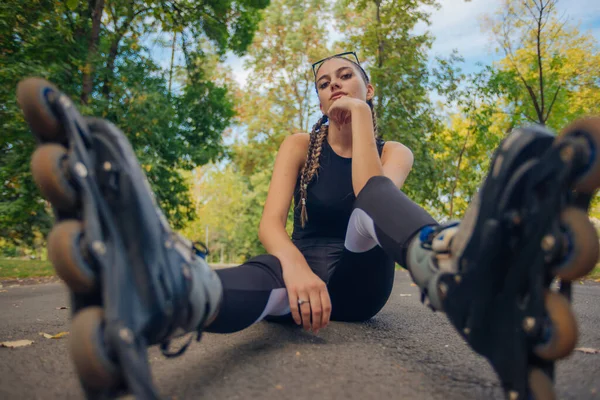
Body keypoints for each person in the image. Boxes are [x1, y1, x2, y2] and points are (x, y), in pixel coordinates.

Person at [17, 52, 599, 400]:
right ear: (318, 98)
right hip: (301, 264)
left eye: (347, 76)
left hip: (362, 269)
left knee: (371, 204)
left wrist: (362, 123)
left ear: (367, 89)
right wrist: (295, 270)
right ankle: (170, 295)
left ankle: (448, 262)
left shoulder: (393, 147)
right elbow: (273, 225)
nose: (335, 85)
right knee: (258, 277)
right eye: (324, 82)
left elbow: (372, 196)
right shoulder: (299, 143)